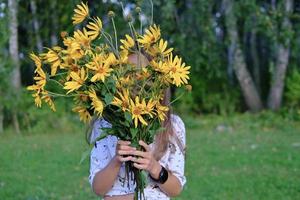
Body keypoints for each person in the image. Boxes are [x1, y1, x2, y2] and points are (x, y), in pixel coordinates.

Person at [88, 54, 187, 200]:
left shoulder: (172, 125)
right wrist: (117, 160)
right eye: (128, 73)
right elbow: (98, 188)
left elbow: (176, 189)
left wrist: (154, 167)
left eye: (143, 74)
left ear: (157, 80)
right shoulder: (105, 124)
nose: (135, 82)